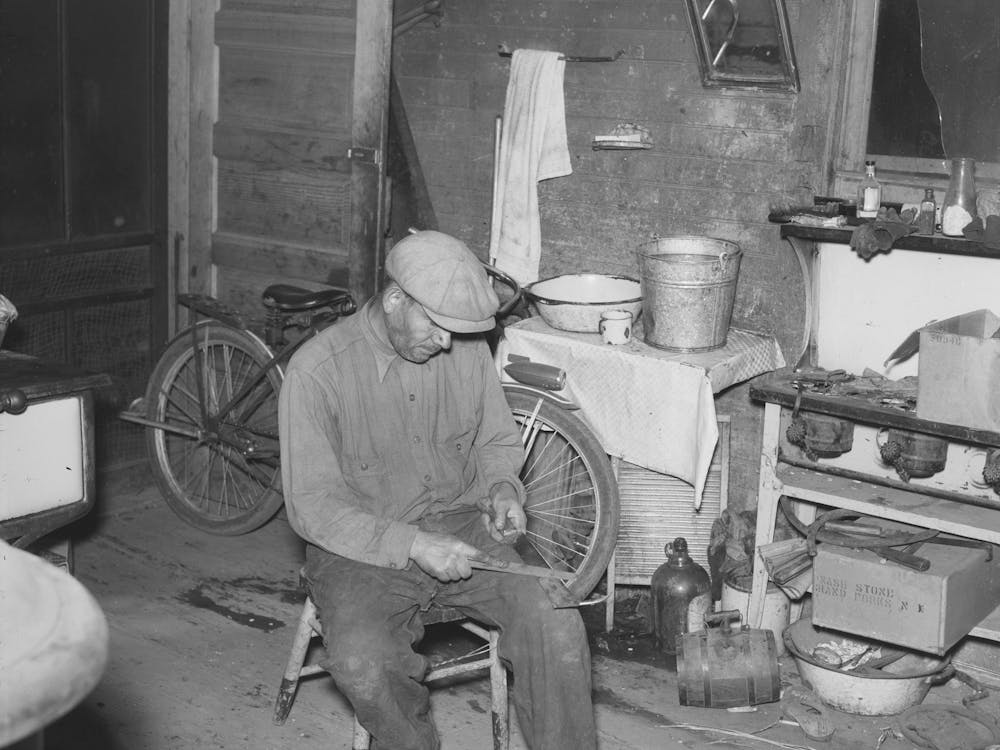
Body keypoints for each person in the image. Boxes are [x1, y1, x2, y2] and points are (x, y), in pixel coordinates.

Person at [278, 230, 597, 750]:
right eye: (438, 325)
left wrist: (501, 490)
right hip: (361, 548)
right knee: (364, 662)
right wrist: (413, 544)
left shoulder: (463, 348)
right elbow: (314, 508)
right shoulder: (318, 373)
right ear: (395, 299)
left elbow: (496, 438)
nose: (449, 342)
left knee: (556, 620)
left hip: (462, 523)